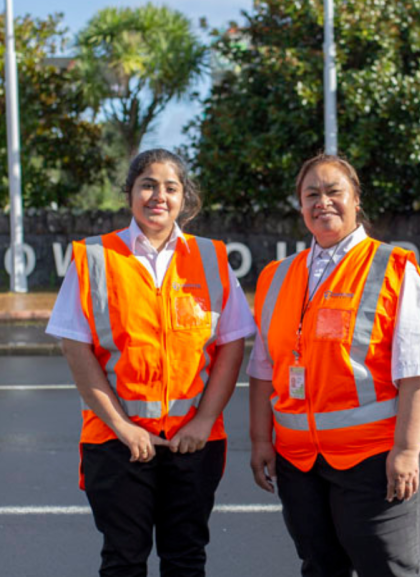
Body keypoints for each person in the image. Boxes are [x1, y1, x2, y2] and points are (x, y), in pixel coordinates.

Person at [46, 149, 255, 577]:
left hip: (194, 444)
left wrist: (203, 421)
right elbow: (76, 349)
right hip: (116, 443)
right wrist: (123, 427)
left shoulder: (212, 258)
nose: (158, 196)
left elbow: (232, 345)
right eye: (148, 185)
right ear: (130, 194)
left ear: (184, 198)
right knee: (123, 560)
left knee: (186, 560)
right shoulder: (94, 258)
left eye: (170, 188)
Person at [248, 154, 420, 577]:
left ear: (356, 200)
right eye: (311, 194)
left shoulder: (394, 267)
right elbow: (264, 369)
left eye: (334, 191)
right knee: (321, 568)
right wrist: (261, 441)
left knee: (389, 570)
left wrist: (407, 451)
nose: (323, 202)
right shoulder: (275, 276)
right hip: (300, 463)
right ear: (300, 206)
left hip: (376, 458)